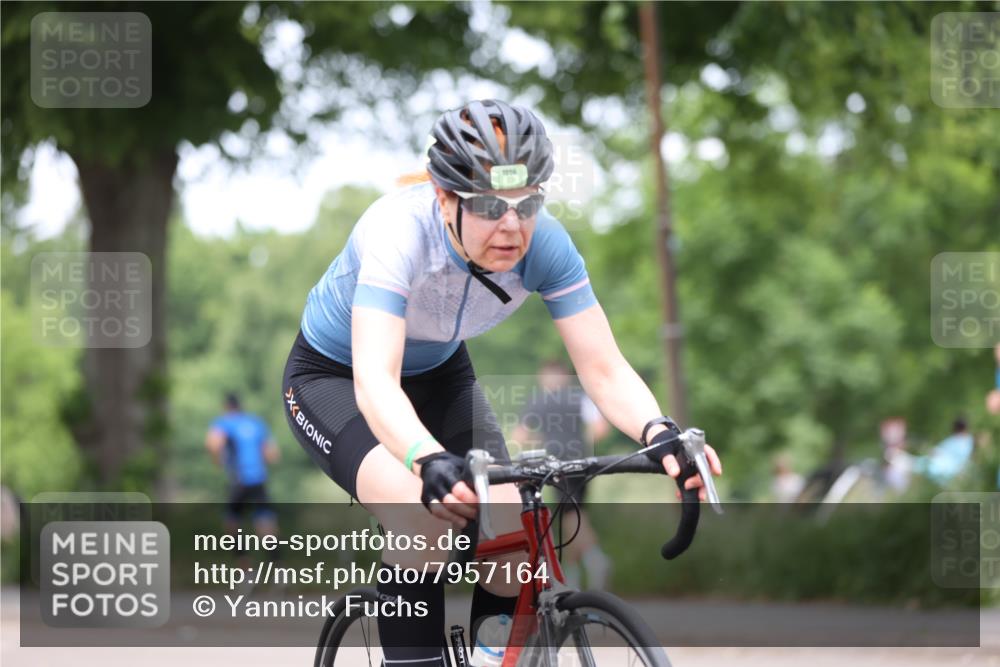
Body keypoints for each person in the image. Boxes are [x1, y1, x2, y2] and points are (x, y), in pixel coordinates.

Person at [281, 99, 722, 665]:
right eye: (489, 205)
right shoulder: (399, 232)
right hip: (335, 379)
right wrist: (424, 458)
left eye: (527, 203)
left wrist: (659, 431)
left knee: (512, 522)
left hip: (441, 375)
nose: (512, 226)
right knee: (420, 518)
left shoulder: (546, 245)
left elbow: (604, 368)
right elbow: (375, 383)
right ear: (445, 198)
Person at [510, 360, 613, 590]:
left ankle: (595, 560)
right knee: (575, 513)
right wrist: (580, 443)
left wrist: (545, 442)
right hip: (582, 462)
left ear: (544, 377)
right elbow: (600, 429)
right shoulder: (580, 398)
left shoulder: (538, 402)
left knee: (571, 517)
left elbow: (519, 436)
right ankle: (572, 579)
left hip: (557, 465)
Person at [205, 393, 280, 559]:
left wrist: (218, 461)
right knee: (265, 522)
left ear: (226, 407)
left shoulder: (225, 422)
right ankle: (278, 573)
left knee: (232, 522)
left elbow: (213, 444)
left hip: (239, 480)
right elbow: (273, 455)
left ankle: (246, 572)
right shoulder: (255, 423)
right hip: (259, 479)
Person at [914, 417, 975, 485]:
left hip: (947, 467)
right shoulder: (965, 440)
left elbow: (946, 454)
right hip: (946, 465)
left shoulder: (961, 441)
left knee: (923, 465)